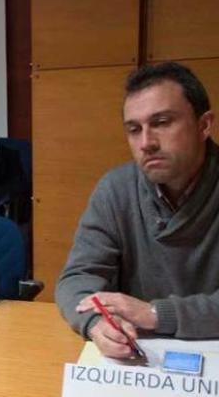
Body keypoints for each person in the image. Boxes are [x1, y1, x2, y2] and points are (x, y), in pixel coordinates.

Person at [56, 62, 219, 358]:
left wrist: (156, 314)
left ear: (204, 125)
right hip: (139, 361)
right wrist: (96, 323)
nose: (146, 143)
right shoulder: (116, 189)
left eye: (162, 122)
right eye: (134, 129)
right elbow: (77, 278)